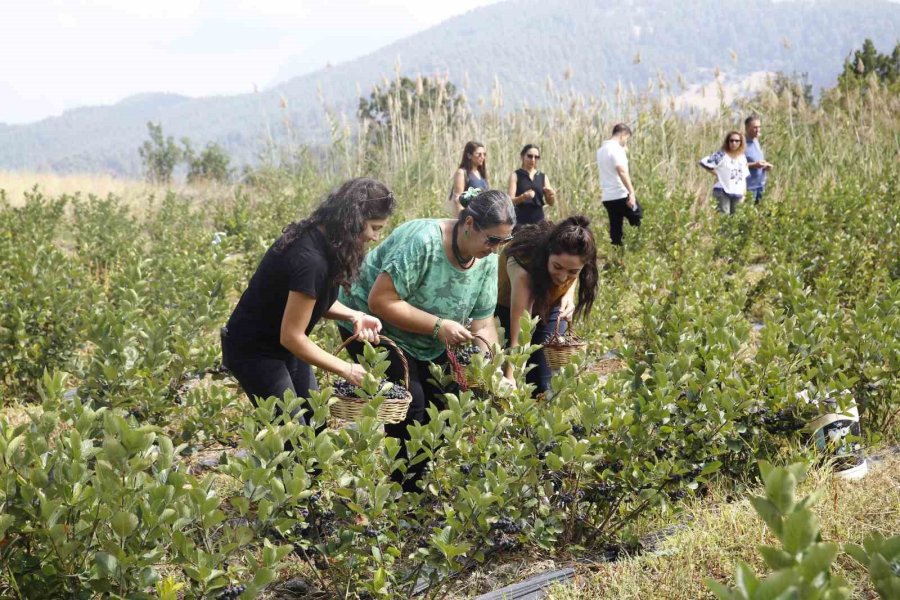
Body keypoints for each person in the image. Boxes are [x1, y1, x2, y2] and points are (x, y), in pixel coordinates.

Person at [339, 189, 516, 491]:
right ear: (470, 223)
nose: (496, 249)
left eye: (504, 242)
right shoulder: (423, 242)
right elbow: (381, 301)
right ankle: (399, 492)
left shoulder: (484, 259)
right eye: (492, 240)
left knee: (447, 403)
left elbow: (483, 325)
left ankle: (415, 481)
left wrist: (498, 371)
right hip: (372, 324)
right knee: (412, 405)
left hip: (431, 335)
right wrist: (438, 326)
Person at [221, 178, 395, 423]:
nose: (375, 237)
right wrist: (346, 369)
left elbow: (311, 299)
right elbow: (292, 336)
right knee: (294, 435)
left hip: (283, 347)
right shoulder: (310, 259)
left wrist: (354, 315)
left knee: (316, 421)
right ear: (354, 222)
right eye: (374, 228)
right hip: (254, 351)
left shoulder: (327, 241)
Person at [496, 216, 598, 397]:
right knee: (522, 377)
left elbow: (569, 273)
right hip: (508, 307)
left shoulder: (576, 262)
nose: (562, 277)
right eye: (557, 267)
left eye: (573, 272)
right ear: (547, 255)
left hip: (550, 305)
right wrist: (510, 378)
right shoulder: (523, 268)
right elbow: (521, 334)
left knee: (546, 383)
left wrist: (568, 294)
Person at [596, 123, 640, 246]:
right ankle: (637, 251)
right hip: (621, 195)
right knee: (638, 219)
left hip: (608, 198)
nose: (626, 141)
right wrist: (631, 192)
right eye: (627, 138)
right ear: (623, 135)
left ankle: (617, 258)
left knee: (616, 229)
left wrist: (623, 148)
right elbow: (622, 171)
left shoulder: (601, 150)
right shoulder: (616, 149)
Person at [699, 131, 750, 215]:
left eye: (737, 141)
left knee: (736, 219)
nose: (734, 143)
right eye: (731, 140)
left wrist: (744, 193)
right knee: (724, 218)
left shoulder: (742, 157)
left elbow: (743, 176)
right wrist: (716, 173)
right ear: (728, 142)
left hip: (737, 192)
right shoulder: (722, 154)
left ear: (741, 143)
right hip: (722, 190)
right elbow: (704, 162)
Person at [507, 144, 556, 229]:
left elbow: (551, 203)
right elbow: (510, 201)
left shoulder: (542, 176)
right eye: (529, 156)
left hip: (539, 221)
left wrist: (551, 195)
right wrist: (523, 197)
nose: (533, 159)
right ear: (522, 156)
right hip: (520, 221)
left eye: (536, 157)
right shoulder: (515, 175)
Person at [446, 141, 489, 215]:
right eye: (479, 154)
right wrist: (461, 220)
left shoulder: (482, 174)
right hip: (469, 216)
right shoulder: (462, 173)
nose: (482, 157)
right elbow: (458, 200)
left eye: (484, 154)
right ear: (469, 155)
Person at [744, 115, 772, 203]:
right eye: (755, 127)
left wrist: (765, 166)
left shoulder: (756, 141)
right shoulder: (741, 143)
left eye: (759, 127)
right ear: (747, 128)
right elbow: (736, 165)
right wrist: (755, 165)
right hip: (749, 188)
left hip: (761, 186)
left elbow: (757, 160)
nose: (758, 130)